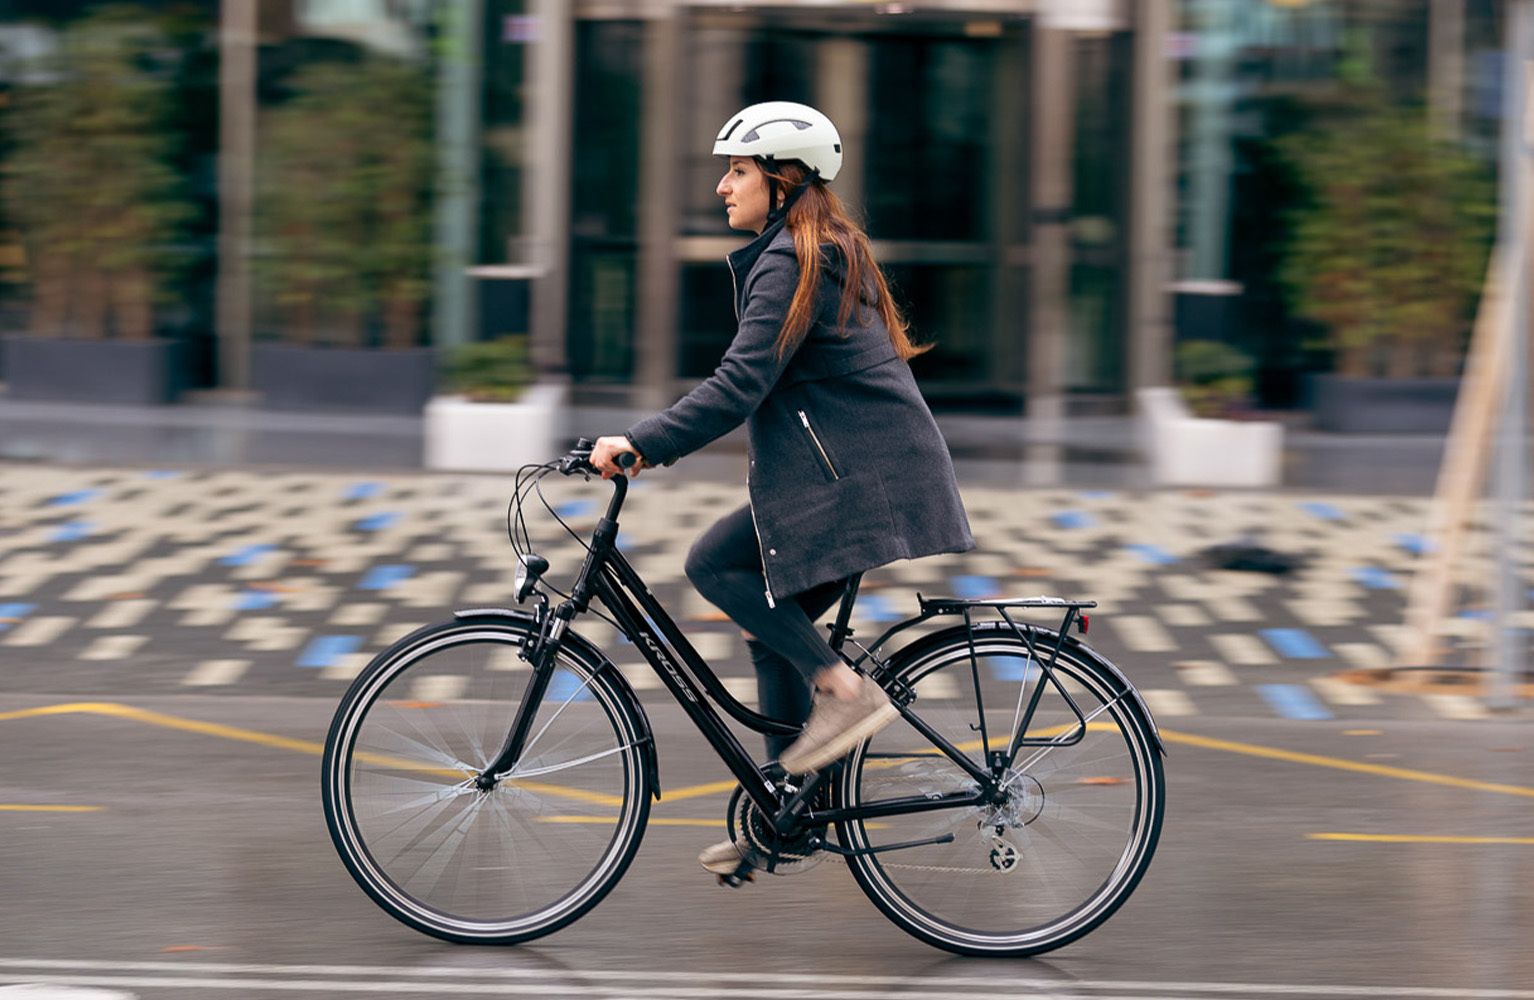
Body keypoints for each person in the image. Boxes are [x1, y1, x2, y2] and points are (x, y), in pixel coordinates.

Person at [590, 101, 973, 876]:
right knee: (772, 624)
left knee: (714, 564)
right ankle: (784, 813)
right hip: (861, 474)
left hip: (859, 481)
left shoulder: (794, 259)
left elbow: (741, 382)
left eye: (737, 171)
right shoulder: (813, 249)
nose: (723, 187)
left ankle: (842, 689)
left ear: (784, 180)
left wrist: (642, 443)